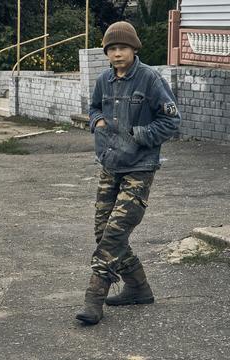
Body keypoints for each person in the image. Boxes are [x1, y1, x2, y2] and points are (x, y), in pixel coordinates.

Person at [76, 22, 181, 325]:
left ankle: (94, 299)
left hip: (140, 167)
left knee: (114, 234)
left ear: (134, 49)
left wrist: (138, 134)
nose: (117, 53)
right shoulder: (104, 80)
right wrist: (95, 121)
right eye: (111, 49)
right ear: (106, 53)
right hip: (110, 165)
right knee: (102, 229)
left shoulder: (149, 79)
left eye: (122, 47)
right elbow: (94, 107)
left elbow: (171, 121)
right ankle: (138, 287)